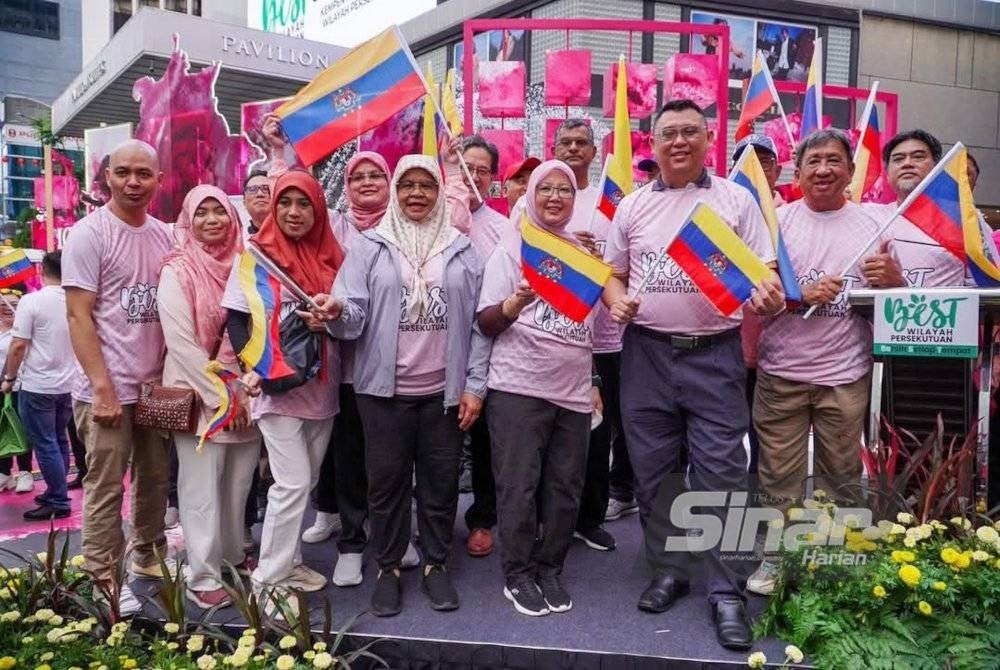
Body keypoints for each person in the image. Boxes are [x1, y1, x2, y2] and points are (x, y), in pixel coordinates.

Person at [602, 100, 784, 649]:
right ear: (651, 145)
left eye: (689, 132)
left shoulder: (735, 200)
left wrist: (767, 291)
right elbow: (613, 275)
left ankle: (726, 591)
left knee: (722, 473)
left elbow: (764, 273)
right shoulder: (631, 207)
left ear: (709, 138)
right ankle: (670, 568)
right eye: (667, 134)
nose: (678, 142)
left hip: (716, 354)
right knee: (655, 473)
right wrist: (616, 302)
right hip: (646, 355)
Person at [322, 150, 489, 617]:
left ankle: (436, 565)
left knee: (440, 485)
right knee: (386, 485)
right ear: (396, 192)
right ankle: (389, 567)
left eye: (427, 185)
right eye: (408, 185)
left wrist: (475, 385)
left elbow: (479, 324)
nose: (417, 194)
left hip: (443, 393)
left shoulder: (462, 248)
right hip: (382, 394)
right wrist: (336, 313)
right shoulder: (371, 246)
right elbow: (351, 314)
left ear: (439, 191)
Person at [748, 129, 891, 595]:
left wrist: (895, 278)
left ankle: (835, 562)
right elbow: (755, 299)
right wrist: (796, 296)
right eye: (814, 161)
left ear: (850, 171)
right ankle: (777, 559)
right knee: (778, 479)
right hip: (781, 374)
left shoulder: (873, 225)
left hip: (845, 377)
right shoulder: (776, 222)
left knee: (842, 477)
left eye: (834, 160)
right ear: (798, 171)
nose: (824, 169)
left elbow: (894, 298)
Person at [477, 160, 602, 617]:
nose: (554, 197)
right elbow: (485, 322)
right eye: (544, 188)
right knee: (519, 486)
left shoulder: (584, 256)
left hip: (571, 391)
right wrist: (512, 305)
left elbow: (589, 329)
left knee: (565, 488)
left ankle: (550, 567)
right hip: (518, 389)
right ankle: (518, 574)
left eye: (564, 190)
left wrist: (593, 381)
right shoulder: (512, 248)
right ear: (529, 194)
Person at [222, 170, 345, 617]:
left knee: (304, 483)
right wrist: (253, 366)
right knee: (290, 484)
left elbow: (350, 319)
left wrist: (329, 319)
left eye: (304, 204)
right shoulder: (255, 256)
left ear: (318, 209)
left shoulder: (336, 256)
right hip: (276, 389)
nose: (294, 213)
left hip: (322, 388)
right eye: (285, 203)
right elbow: (236, 319)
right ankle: (268, 582)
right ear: (273, 207)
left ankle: (290, 563)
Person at [63, 139, 175, 614]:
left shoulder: (166, 235)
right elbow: (78, 316)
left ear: (159, 181)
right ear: (106, 175)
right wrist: (103, 389)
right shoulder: (90, 234)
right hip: (104, 389)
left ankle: (147, 556)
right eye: (124, 172)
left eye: (144, 174)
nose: (134, 182)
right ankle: (103, 576)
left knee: (154, 478)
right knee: (106, 485)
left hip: (155, 387)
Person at [158, 185, 261, 609]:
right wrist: (222, 396)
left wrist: (247, 386)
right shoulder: (177, 270)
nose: (213, 220)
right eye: (202, 213)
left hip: (247, 393)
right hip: (199, 394)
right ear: (188, 220)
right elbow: (180, 343)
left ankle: (232, 557)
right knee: (200, 488)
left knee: (238, 482)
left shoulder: (247, 265)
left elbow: (261, 327)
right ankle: (201, 576)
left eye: (220, 212)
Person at [2, 254, 75, 520]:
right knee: (58, 440)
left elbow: (18, 345)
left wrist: (9, 379)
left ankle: (58, 498)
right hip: (68, 382)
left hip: (38, 383)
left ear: (42, 270)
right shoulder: (75, 299)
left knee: (46, 443)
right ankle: (57, 490)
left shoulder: (32, 301)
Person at [460, 135, 506, 559]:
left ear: (493, 178)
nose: (473, 176)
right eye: (465, 166)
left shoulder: (501, 228)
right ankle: (431, 520)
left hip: (488, 343)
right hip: (433, 348)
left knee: (487, 442)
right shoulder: (429, 217)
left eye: (482, 169)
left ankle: (482, 518)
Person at [732, 134, 783, 477]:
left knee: (764, 436)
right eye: (745, 159)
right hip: (727, 344)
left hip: (778, 350)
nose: (755, 167)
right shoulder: (722, 212)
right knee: (720, 435)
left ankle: (756, 507)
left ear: (777, 170)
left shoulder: (790, 214)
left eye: (763, 160)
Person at [0, 289, 32, 494]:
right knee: (1, 431)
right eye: (3, 304)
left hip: (20, 386)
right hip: (0, 387)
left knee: (22, 429)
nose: (7, 307)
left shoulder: (24, 330)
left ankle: (25, 471)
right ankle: (4, 473)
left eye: (12, 304)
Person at [240, 170, 271, 236]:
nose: (260, 194)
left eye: (266, 188)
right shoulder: (239, 240)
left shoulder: (290, 234)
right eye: (252, 189)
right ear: (244, 203)